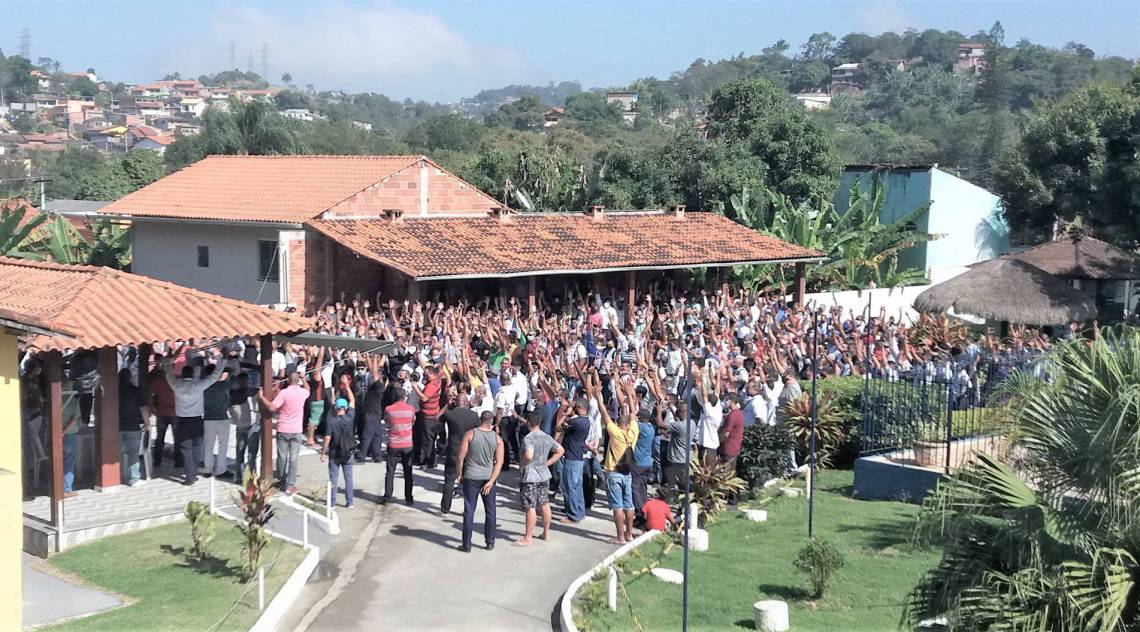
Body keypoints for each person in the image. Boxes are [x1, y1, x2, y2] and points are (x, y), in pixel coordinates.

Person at [164, 354, 230, 486]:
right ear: (192, 374)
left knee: (186, 448)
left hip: (181, 420)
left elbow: (168, 375)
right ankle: (193, 473)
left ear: (182, 375)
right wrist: (222, 361)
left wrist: (167, 363)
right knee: (196, 447)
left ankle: (190, 475)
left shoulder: (176, 385)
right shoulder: (198, 385)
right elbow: (214, 376)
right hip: (197, 420)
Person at [455, 410, 504, 552]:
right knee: (491, 511)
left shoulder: (470, 434)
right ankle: (490, 542)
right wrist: (491, 481)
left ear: (480, 420)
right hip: (488, 477)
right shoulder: (497, 439)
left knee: (469, 510)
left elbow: (460, 457)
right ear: (492, 422)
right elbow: (499, 462)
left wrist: (459, 474)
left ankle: (467, 544)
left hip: (471, 476)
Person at [515, 410, 563, 546]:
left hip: (530, 476)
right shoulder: (547, 437)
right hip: (544, 474)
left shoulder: (529, 438)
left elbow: (529, 455)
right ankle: (546, 532)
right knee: (544, 503)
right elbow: (560, 450)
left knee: (530, 506)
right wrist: (547, 463)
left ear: (529, 422)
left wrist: (522, 465)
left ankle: (528, 537)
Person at [601, 376, 639, 545]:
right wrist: (630, 395)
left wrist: (598, 397)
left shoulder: (615, 433)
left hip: (614, 473)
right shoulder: (633, 433)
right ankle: (629, 534)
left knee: (617, 506)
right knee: (629, 504)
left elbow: (604, 413)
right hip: (627, 473)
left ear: (618, 423)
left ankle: (620, 537)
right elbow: (633, 414)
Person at [257, 369, 309, 493]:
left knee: (282, 456)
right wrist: (304, 378)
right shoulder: (302, 393)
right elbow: (308, 389)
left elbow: (272, 407)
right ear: (298, 381)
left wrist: (261, 397)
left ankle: (281, 479)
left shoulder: (284, 393)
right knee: (294, 458)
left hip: (283, 428)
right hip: (296, 429)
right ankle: (290, 484)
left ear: (288, 381)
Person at [440, 392, 479, 515]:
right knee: (468, 482)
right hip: (469, 451)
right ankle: (468, 509)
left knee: (449, 479)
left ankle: (445, 507)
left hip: (453, 450)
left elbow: (437, 419)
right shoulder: (474, 416)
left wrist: (447, 406)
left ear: (455, 402)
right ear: (466, 402)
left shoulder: (450, 414)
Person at [557, 397, 591, 523]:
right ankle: (579, 511)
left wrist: (565, 413)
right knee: (577, 486)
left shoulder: (576, 422)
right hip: (578, 456)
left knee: (570, 486)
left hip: (572, 457)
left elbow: (558, 427)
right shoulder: (586, 421)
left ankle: (573, 514)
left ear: (579, 408)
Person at [382, 386, 416, 505]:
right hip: (407, 444)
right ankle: (408, 497)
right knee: (408, 471)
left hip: (393, 443)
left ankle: (387, 496)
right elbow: (413, 422)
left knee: (390, 471)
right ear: (404, 397)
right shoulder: (411, 409)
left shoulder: (388, 409)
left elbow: (387, 421)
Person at [322, 392, 357, 509]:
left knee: (333, 478)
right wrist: (347, 387)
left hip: (334, 453)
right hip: (348, 452)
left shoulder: (331, 421)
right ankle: (350, 502)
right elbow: (352, 401)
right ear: (345, 408)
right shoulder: (350, 417)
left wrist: (323, 453)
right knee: (349, 478)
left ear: (335, 408)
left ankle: (332, 503)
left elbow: (327, 438)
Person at [118, 367, 151, 487]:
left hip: (116, 426)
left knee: (114, 453)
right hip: (132, 426)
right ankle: (133, 478)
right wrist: (147, 423)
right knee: (133, 453)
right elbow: (143, 408)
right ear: (130, 378)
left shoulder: (114, 390)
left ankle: (114, 477)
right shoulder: (135, 391)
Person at [201, 363, 233, 480]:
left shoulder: (203, 387)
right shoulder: (224, 385)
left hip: (208, 418)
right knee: (222, 445)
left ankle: (207, 469)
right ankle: (221, 469)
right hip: (222, 417)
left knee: (208, 445)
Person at [149, 356, 180, 469]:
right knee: (177, 438)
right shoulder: (177, 379)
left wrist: (152, 409)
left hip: (161, 412)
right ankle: (178, 461)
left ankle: (157, 460)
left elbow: (150, 395)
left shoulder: (156, 380)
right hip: (175, 412)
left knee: (159, 438)